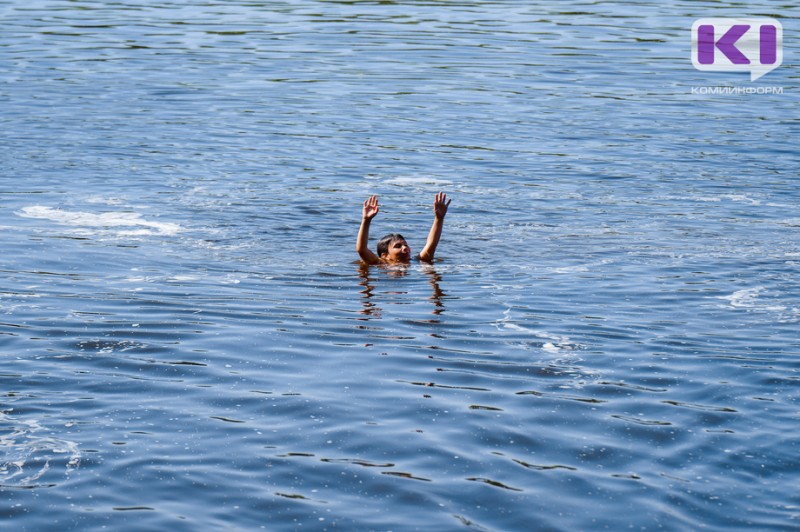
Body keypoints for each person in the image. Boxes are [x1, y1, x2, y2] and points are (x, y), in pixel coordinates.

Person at [357, 192, 451, 265]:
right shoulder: (380, 263)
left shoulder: (416, 261)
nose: (405, 248)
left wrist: (439, 219)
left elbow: (431, 244)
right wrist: (366, 220)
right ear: (385, 255)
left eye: (405, 245)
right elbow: (361, 250)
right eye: (398, 246)